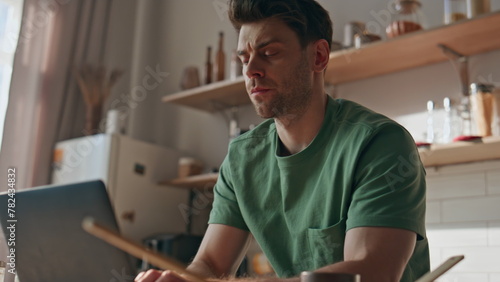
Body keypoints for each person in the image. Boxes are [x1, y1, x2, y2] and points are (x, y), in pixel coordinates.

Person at [135, 0, 430, 281]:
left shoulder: (380, 143)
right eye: (244, 58)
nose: (251, 70)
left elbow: (372, 274)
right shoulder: (242, 158)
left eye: (269, 53)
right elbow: (210, 263)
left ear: (318, 56)